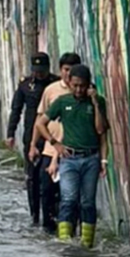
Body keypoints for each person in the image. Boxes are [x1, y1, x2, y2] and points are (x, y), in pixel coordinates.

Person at [35, 64, 109, 248]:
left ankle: (86, 244)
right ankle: (65, 242)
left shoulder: (98, 102)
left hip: (91, 158)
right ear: (69, 83)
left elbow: (101, 130)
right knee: (68, 199)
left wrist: (94, 103)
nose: (78, 90)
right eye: (75, 85)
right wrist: (55, 144)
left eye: (82, 86)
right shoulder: (62, 102)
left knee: (87, 202)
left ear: (88, 85)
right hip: (69, 159)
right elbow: (40, 124)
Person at [30, 52, 82, 233]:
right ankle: (48, 228)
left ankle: (69, 229)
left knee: (72, 195)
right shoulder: (51, 91)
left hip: (74, 152)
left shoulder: (83, 91)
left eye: (72, 70)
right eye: (66, 70)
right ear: (60, 70)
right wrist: (32, 145)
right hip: (50, 149)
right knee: (46, 190)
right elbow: (40, 119)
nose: (68, 74)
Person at [6, 52, 59, 228]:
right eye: (36, 71)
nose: (39, 74)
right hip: (32, 137)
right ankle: (35, 215)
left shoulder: (55, 84)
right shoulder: (25, 85)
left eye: (42, 70)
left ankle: (52, 214)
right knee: (32, 178)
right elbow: (16, 109)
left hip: (52, 135)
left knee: (51, 178)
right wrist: (10, 133)